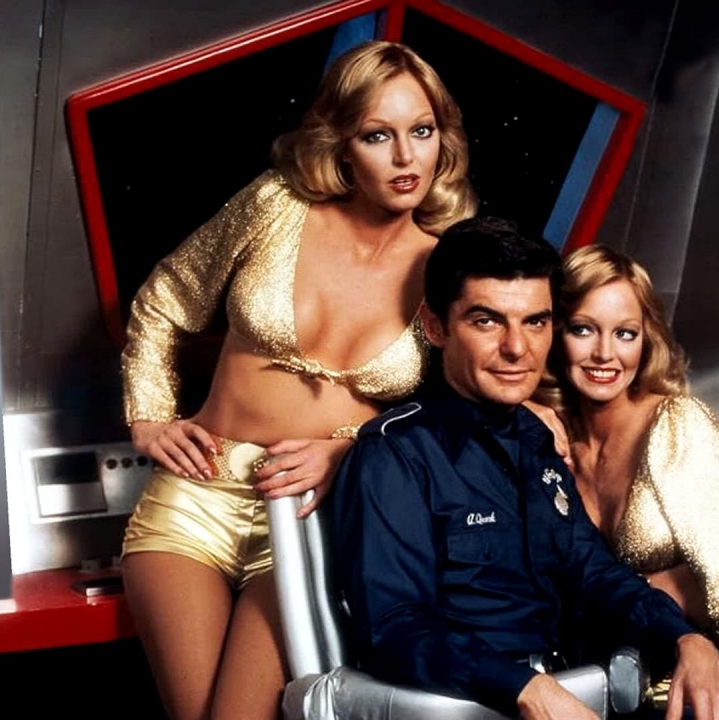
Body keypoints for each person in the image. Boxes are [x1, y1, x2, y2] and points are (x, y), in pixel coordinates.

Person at [329, 217, 719, 720]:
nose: (517, 348)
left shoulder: (536, 439)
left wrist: (685, 638)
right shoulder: (395, 456)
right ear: (436, 327)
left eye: (535, 322)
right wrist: (524, 688)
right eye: (487, 321)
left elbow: (594, 571)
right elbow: (395, 628)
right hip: (488, 706)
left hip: (587, 696)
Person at [117, 41, 477, 720]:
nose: (406, 157)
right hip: (194, 497)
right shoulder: (275, 204)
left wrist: (348, 450)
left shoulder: (451, 265)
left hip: (314, 516)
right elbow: (167, 297)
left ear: (444, 140)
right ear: (342, 145)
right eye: (378, 135)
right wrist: (149, 412)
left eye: (422, 131)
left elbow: (458, 415)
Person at [534, 244, 719, 717]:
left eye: (625, 333)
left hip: (710, 694)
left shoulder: (676, 426)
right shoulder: (544, 438)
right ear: (554, 333)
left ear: (646, 339)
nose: (604, 353)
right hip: (598, 696)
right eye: (583, 329)